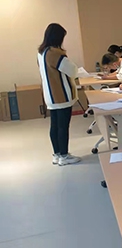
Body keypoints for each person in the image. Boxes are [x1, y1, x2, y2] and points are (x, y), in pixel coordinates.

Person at [37, 23, 81, 166]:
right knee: (63, 127)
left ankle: (56, 154)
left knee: (55, 126)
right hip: (61, 95)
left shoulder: (41, 52)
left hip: (50, 96)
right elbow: (72, 71)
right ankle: (64, 156)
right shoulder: (55, 53)